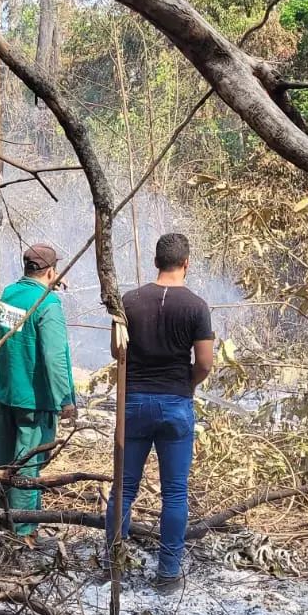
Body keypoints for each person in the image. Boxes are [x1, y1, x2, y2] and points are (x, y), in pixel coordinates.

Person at [111, 233, 215, 594]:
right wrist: (186, 383)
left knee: (124, 488)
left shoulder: (130, 301)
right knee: (174, 491)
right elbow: (204, 363)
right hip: (175, 404)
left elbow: (116, 351)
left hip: (134, 401)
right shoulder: (196, 306)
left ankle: (115, 567)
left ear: (157, 261)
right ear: (187, 262)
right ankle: (168, 573)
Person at [0, 243, 77, 546]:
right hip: (34, 400)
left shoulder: (9, 295)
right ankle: (22, 532)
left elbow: (24, 320)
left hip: (6, 392)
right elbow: (55, 357)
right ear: (51, 271)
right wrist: (65, 399)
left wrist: (49, 288)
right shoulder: (49, 305)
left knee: (4, 460)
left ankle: (3, 519)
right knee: (27, 466)